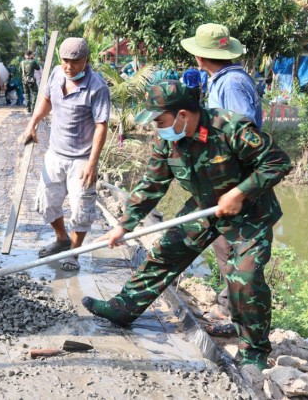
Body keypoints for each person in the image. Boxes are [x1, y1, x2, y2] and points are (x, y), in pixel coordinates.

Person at [83, 81, 291, 369]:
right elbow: (152, 184)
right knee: (166, 252)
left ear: (182, 114)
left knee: (244, 278)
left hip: (250, 211)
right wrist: (123, 226)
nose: (157, 128)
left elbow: (277, 162)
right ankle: (124, 308)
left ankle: (253, 351)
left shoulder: (229, 127)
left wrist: (239, 193)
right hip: (205, 206)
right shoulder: (167, 139)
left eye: (160, 121)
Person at [181, 23, 263, 317]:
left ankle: (232, 312)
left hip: (234, 177)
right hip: (223, 176)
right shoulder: (220, 80)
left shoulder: (231, 84)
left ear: (200, 56)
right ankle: (229, 305)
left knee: (232, 244)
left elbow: (243, 131)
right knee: (222, 242)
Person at [22, 37, 110, 272]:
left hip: (82, 158)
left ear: (86, 60)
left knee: (81, 209)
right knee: (46, 202)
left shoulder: (97, 87)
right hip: (56, 153)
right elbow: (47, 100)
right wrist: (33, 123)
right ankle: (62, 239)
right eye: (65, 61)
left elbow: (101, 126)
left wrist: (92, 163)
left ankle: (73, 252)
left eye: (75, 61)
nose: (69, 66)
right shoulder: (56, 74)